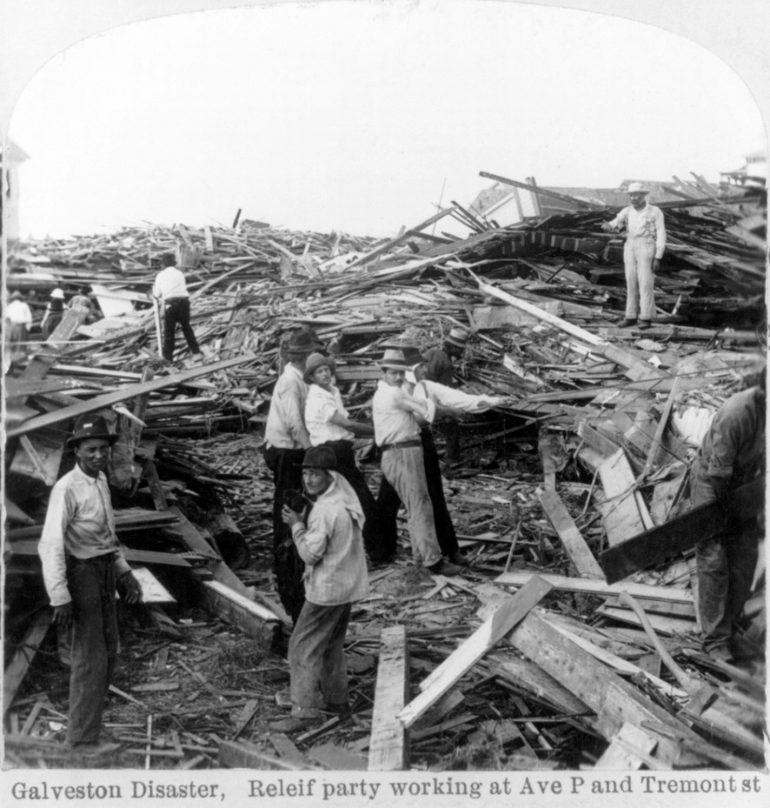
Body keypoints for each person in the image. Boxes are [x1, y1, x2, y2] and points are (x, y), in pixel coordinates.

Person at [38, 414, 142, 751]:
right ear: (77, 451)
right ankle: (80, 742)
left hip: (103, 571)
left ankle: (90, 730)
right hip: (81, 575)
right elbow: (51, 544)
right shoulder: (66, 488)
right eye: (91, 450)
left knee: (109, 651)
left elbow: (107, 536)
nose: (98, 456)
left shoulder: (100, 482)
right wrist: (60, 598)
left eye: (103, 449)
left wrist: (125, 572)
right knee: (89, 657)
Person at [376, 345, 512, 566]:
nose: (424, 370)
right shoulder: (391, 392)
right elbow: (429, 412)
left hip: (421, 444)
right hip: (398, 448)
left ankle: (450, 549)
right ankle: (383, 552)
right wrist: (444, 411)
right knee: (387, 502)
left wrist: (492, 401)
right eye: (420, 367)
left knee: (434, 497)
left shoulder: (425, 387)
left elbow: (458, 398)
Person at [270, 445, 369, 732]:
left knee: (301, 647)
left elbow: (309, 555)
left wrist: (297, 526)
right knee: (331, 646)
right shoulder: (344, 500)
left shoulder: (325, 510)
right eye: (305, 474)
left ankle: (304, 712)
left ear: (330, 476)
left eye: (315, 474)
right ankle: (338, 701)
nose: (309, 480)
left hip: (326, 590)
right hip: (346, 587)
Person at [690, 380, 765, 663]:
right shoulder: (736, 413)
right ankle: (715, 640)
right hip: (714, 481)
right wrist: (729, 513)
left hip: (746, 480)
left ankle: (731, 628)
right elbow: (719, 474)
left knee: (746, 555)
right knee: (714, 557)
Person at [372, 347, 461, 576]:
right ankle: (432, 561)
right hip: (402, 451)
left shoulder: (397, 389)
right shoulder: (395, 393)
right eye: (394, 373)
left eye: (401, 372)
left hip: (406, 449)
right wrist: (454, 408)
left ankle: (423, 557)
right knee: (419, 506)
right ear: (384, 372)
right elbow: (425, 413)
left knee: (419, 505)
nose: (399, 377)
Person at [303, 352, 384, 559]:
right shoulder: (318, 397)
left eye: (327, 370)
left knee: (346, 500)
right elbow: (346, 424)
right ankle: (374, 550)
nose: (325, 374)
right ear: (311, 377)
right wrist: (377, 431)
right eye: (319, 372)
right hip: (330, 452)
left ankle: (361, 548)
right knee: (359, 499)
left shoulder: (331, 391)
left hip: (338, 450)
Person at [263, 329, 320, 622]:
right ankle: (285, 558)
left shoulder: (300, 379)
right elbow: (295, 424)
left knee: (298, 503)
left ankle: (295, 547)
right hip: (287, 452)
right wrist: (313, 455)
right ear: (301, 357)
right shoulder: (289, 383)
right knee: (287, 506)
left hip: (294, 450)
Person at [601, 182, 666, 330]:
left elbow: (661, 234)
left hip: (646, 245)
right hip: (630, 246)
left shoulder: (655, 211)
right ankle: (630, 316)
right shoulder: (626, 211)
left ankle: (646, 317)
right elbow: (613, 223)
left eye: (636, 195)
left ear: (643, 196)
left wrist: (658, 256)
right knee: (631, 282)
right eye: (631, 195)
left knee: (645, 283)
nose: (633, 198)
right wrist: (607, 226)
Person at [421, 327, 470, 464]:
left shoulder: (431, 353)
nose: (461, 352)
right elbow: (444, 391)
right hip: (430, 400)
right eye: (460, 349)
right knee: (452, 427)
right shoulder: (446, 363)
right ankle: (452, 459)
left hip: (418, 395)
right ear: (453, 347)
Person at [152, 250, 202, 362]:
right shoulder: (179, 273)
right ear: (174, 263)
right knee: (187, 328)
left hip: (171, 305)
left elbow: (157, 294)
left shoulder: (160, 275)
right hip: (184, 303)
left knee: (169, 333)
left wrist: (153, 291)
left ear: (163, 264)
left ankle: (168, 360)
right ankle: (196, 352)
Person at [5, 290, 33, 356]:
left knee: (11, 345)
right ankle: (19, 359)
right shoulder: (24, 305)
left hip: (11, 326)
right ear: (20, 298)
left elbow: (6, 318)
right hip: (20, 327)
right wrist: (27, 329)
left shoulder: (9, 306)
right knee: (20, 345)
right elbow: (29, 319)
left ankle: (10, 359)